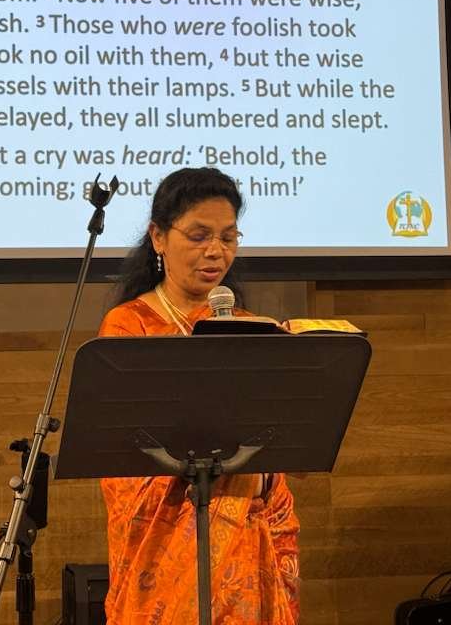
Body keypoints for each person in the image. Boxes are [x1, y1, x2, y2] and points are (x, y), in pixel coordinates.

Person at [98, 167, 301, 624]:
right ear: (158, 237)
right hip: (166, 540)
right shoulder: (129, 326)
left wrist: (263, 476)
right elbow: (127, 454)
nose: (216, 251)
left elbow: (274, 436)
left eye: (228, 237)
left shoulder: (248, 326)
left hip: (250, 528)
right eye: (199, 236)